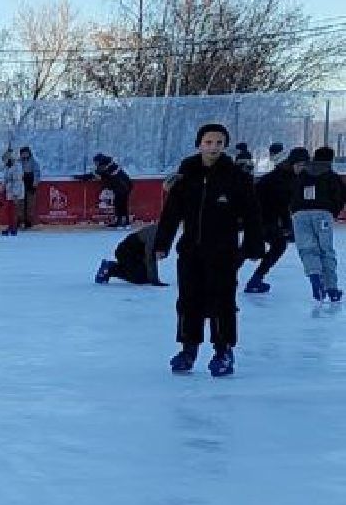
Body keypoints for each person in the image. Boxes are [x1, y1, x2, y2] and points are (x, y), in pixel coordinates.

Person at [154, 123, 262, 377]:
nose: (213, 148)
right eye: (208, 142)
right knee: (189, 300)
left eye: (219, 143)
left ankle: (223, 350)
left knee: (222, 301)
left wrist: (253, 245)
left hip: (224, 252)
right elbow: (171, 214)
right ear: (199, 144)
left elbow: (252, 214)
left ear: (225, 146)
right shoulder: (186, 176)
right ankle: (188, 348)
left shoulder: (236, 177)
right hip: (191, 251)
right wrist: (162, 243)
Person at [289, 145, 345, 304]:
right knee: (326, 250)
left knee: (307, 249)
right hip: (323, 215)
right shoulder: (331, 175)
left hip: (299, 215)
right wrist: (332, 212)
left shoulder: (301, 174)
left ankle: (315, 277)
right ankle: (332, 289)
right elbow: (340, 196)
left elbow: (291, 193)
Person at [247, 147, 303, 294]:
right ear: (292, 163)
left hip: (265, 218)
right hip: (260, 217)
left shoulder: (288, 176)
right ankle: (248, 279)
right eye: (300, 165)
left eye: (304, 165)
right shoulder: (282, 178)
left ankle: (255, 279)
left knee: (274, 246)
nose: (301, 168)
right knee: (267, 246)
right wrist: (287, 227)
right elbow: (282, 205)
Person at [95, 223, 167, 287]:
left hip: (137, 254)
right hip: (125, 252)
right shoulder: (155, 233)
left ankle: (119, 268)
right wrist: (155, 280)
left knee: (145, 278)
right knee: (139, 278)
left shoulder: (164, 232)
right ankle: (110, 268)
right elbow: (150, 257)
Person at [80, 153, 136, 229]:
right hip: (123, 186)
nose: (95, 164)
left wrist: (83, 177)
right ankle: (123, 222)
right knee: (121, 204)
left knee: (120, 203)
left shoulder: (108, 167)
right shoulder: (109, 165)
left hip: (123, 186)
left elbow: (96, 175)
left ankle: (122, 222)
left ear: (100, 161)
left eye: (96, 162)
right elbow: (96, 175)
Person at [0, 149, 29, 235]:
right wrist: (1, 189)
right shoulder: (8, 167)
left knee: (13, 210)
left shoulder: (17, 167)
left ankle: (13, 227)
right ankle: (10, 226)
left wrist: (16, 194)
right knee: (9, 210)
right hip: (10, 191)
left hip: (16, 192)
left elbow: (17, 181)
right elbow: (5, 179)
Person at [19, 145, 42, 225]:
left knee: (30, 203)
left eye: (26, 153)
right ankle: (20, 220)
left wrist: (35, 182)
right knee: (21, 203)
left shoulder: (33, 162)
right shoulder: (19, 162)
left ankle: (28, 221)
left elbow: (37, 173)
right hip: (21, 183)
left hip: (30, 183)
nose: (24, 155)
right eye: (23, 154)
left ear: (29, 153)